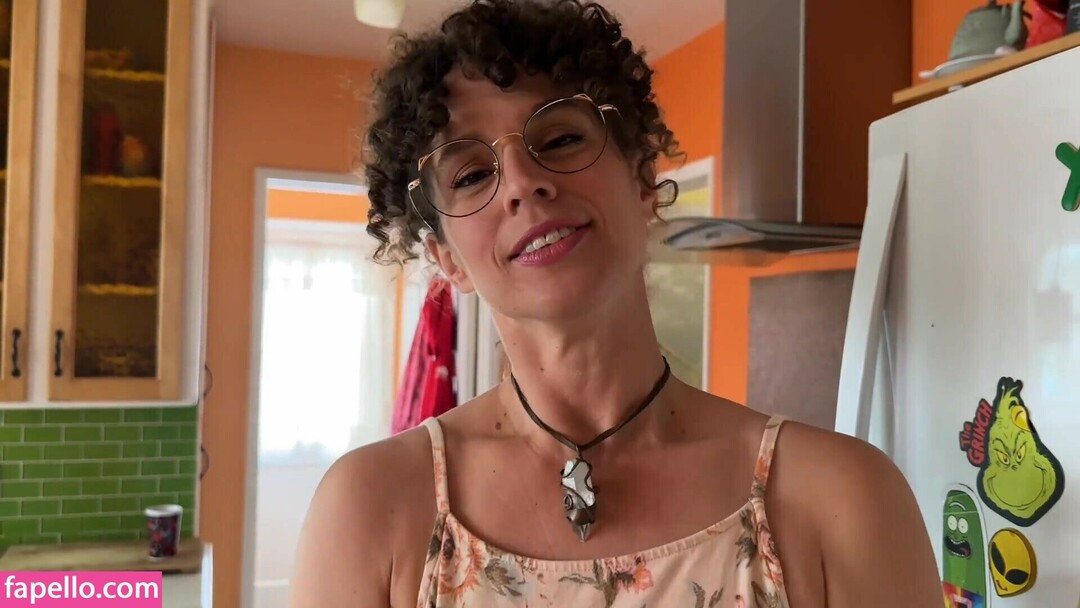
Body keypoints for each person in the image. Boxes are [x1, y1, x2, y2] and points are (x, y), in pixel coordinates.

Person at [291, 1, 942, 606]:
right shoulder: (370, 512)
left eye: (560, 139)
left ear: (643, 181)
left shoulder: (842, 500)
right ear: (447, 259)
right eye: (471, 175)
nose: (523, 182)